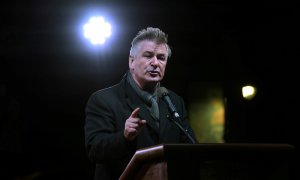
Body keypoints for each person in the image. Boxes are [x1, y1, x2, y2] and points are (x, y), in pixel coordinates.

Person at [84, 27, 197, 180]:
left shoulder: (174, 101)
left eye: (161, 58)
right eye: (148, 55)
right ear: (132, 61)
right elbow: (94, 150)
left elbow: (191, 148)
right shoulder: (104, 99)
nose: (155, 63)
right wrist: (124, 138)